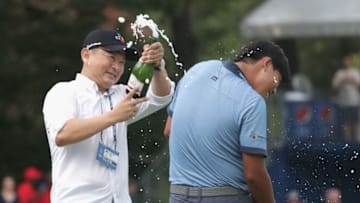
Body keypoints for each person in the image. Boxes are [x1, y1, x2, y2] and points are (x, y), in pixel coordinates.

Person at [42, 28, 174, 203]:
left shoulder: (121, 94)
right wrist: (114, 116)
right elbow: (63, 134)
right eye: (111, 58)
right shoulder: (64, 92)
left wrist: (158, 66)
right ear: (86, 55)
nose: (117, 67)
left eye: (121, 62)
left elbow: (161, 97)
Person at [164, 40, 291, 203]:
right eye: (277, 80)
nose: (274, 91)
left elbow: (169, 129)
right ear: (266, 64)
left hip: (178, 195)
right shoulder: (252, 101)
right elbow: (253, 176)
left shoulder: (197, 70)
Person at [332, 55, 360, 142]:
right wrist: (343, 80)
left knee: (356, 122)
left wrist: (351, 80)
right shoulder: (339, 73)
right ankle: (347, 141)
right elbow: (334, 86)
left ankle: (357, 140)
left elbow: (358, 84)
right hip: (344, 102)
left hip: (354, 101)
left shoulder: (355, 72)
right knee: (346, 123)